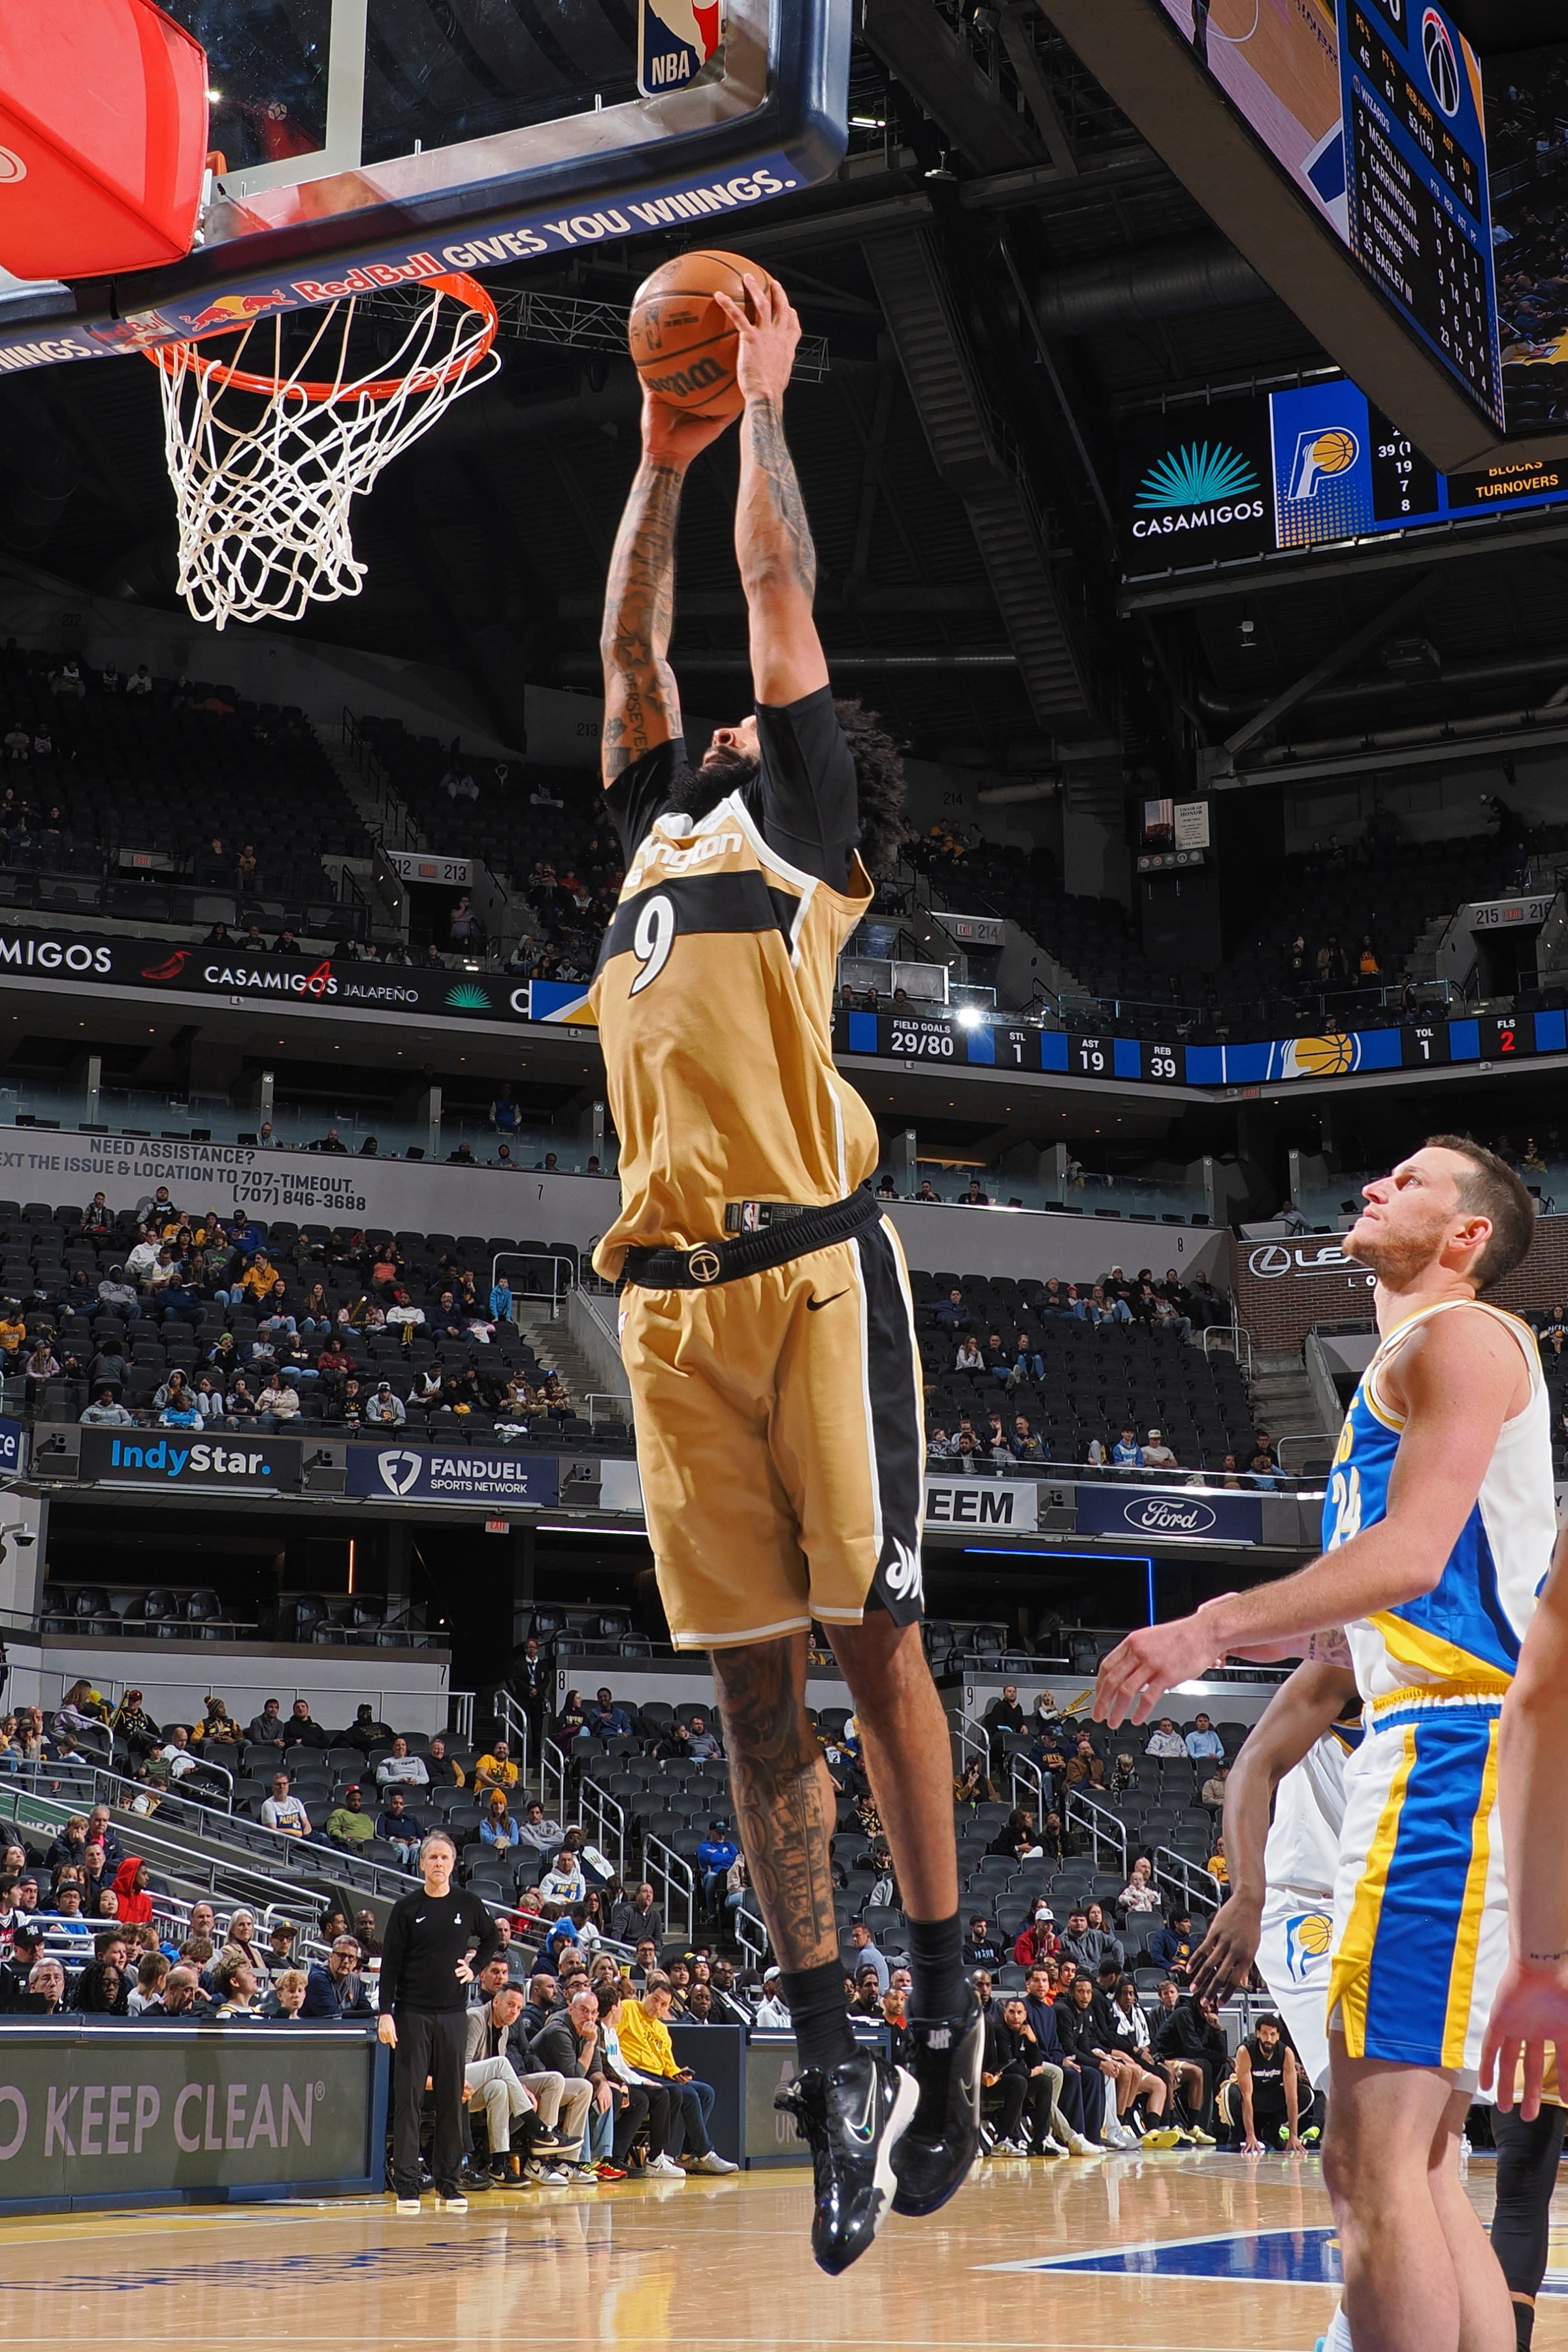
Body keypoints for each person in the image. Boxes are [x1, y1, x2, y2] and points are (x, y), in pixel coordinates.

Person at [592, 266, 975, 2271]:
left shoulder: (805, 830)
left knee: (872, 1650)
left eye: (749, 716)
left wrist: (755, 414)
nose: (721, 717)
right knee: (752, 1713)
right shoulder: (659, 826)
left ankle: (945, 2012)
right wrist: (653, 461)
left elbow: (767, 606)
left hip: (817, 1285)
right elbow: (636, 640)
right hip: (665, 1310)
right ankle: (838, 2084)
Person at [1097, 1135, 1550, 2352]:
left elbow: (1409, 1556)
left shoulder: (1465, 1336)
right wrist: (1278, 1642)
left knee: (1370, 2168)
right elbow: (1390, 1605)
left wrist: (1211, 1622)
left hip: (1449, 1762)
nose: (1371, 1189)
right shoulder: (1410, 1360)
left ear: (1466, 1239)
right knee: (1423, 2163)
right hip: (1443, 1751)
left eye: (1408, 1182)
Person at [379, 1831, 502, 2213]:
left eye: (444, 1858)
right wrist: (386, 2011)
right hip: (411, 2013)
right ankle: (408, 2186)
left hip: (453, 2015)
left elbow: (492, 1937)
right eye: (432, 1857)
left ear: (453, 1863)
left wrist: (476, 1967)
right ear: (422, 1863)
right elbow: (391, 1965)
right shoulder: (406, 1908)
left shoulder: (468, 1903)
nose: (438, 1863)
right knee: (409, 2100)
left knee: (452, 2099)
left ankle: (449, 2184)